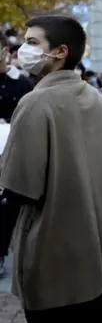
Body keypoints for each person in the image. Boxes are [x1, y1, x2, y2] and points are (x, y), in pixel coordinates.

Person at [1, 15, 102, 323]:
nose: (24, 48)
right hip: (100, 246)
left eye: (33, 41)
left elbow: (19, 187)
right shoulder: (97, 99)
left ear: (60, 52)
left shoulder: (35, 103)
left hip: (52, 247)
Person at [0, 31, 33, 280]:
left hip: (10, 151)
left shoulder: (21, 83)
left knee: (7, 206)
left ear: (6, 52)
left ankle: (1, 251)